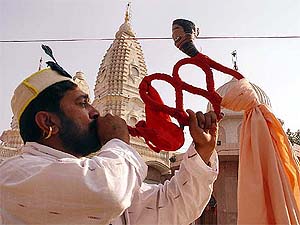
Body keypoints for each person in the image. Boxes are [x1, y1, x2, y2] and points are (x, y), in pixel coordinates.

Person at [0, 63, 219, 224]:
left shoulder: (97, 178)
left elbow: (172, 205)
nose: (95, 111)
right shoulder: (15, 174)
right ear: (48, 122)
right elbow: (108, 192)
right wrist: (117, 141)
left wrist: (202, 151)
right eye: (83, 104)